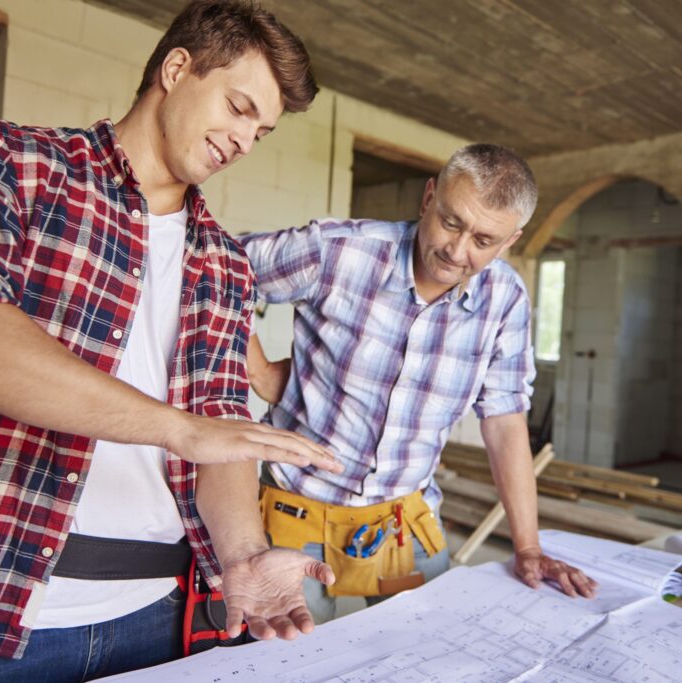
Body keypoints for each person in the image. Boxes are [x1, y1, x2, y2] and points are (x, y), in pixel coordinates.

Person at [0, 1, 342, 680]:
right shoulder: (9, 164)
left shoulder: (225, 262)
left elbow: (222, 430)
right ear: (176, 68)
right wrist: (176, 429)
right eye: (239, 107)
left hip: (156, 617)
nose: (246, 141)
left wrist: (246, 551)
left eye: (264, 131)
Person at [241, 144, 597, 624]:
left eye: (483, 240)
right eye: (451, 222)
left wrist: (527, 546)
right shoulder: (338, 251)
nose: (457, 251)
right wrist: (259, 371)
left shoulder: (506, 300)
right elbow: (217, 268)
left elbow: (505, 420)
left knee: (432, 656)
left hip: (403, 523)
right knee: (288, 662)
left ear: (511, 239)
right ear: (429, 197)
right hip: (294, 509)